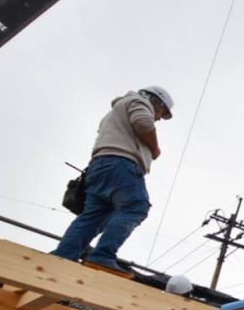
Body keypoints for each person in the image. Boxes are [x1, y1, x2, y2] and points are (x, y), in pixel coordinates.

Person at [52, 86, 175, 273]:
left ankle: (64, 255)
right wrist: (154, 148)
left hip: (100, 167)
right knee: (136, 206)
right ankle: (102, 256)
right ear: (155, 101)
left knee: (93, 217)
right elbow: (143, 123)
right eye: (161, 111)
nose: (158, 117)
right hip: (121, 164)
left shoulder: (115, 112)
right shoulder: (139, 102)